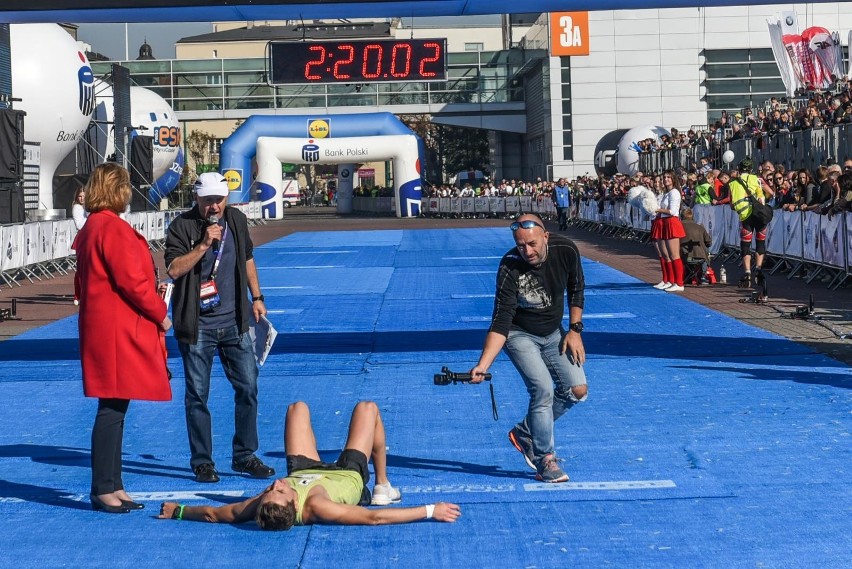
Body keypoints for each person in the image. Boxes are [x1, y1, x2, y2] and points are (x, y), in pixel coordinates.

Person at [157, 401, 461, 529]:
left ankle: (377, 480)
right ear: (294, 504)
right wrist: (430, 510)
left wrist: (179, 511)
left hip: (306, 469)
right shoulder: (317, 507)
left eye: (270, 491)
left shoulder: (262, 504)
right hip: (347, 475)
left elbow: (214, 513)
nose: (275, 484)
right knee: (367, 408)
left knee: (296, 408)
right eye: (280, 490)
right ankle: (382, 483)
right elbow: (374, 519)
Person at [72, 163, 172, 514]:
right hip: (117, 329)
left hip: (104, 326)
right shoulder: (110, 228)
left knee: (115, 407)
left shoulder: (93, 227)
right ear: (118, 190)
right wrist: (161, 313)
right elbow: (132, 282)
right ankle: (103, 487)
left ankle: (112, 484)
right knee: (112, 409)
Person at [164, 172, 275, 483]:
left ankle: (245, 455)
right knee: (197, 396)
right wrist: (202, 246)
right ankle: (203, 462)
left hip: (235, 322)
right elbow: (173, 269)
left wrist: (257, 296)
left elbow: (248, 259)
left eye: (219, 199)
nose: (214, 206)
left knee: (248, 388)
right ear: (196, 199)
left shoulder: (236, 220)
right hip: (197, 327)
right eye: (208, 200)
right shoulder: (181, 227)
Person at [468, 213, 588, 483]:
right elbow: (500, 321)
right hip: (518, 332)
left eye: (532, 244)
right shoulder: (510, 266)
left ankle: (526, 431)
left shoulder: (566, 249)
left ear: (545, 236)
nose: (527, 251)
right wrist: (483, 365)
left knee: (577, 390)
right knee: (542, 390)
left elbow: (576, 287)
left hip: (553, 330)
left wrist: (575, 330)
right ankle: (545, 458)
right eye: (521, 245)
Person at [729, 157, 774, 288]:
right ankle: (759, 269)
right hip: (759, 215)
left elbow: (732, 205)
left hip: (745, 217)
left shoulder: (733, 183)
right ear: (751, 169)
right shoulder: (757, 179)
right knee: (760, 242)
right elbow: (770, 193)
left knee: (745, 245)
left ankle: (747, 272)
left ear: (739, 169)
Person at [651, 170, 687, 292]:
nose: (666, 179)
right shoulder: (667, 193)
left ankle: (679, 282)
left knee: (674, 255)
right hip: (665, 222)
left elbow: (672, 211)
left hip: (672, 222)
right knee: (667, 255)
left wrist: (657, 209)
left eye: (668, 177)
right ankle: (670, 280)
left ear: (673, 179)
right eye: (664, 177)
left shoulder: (675, 193)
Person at [679, 207, 712, 285]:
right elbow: (709, 243)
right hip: (700, 257)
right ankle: (703, 276)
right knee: (705, 252)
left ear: (681, 216)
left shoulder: (679, 226)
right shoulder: (700, 227)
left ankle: (687, 277)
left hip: (684, 256)